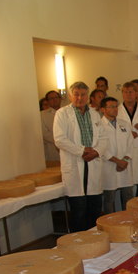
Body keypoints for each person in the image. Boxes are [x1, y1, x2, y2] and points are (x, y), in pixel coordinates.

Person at [53, 82, 107, 232]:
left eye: (83, 95)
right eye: (76, 94)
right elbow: (59, 139)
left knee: (95, 209)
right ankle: (78, 241)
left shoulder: (94, 114)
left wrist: (96, 152)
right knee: (78, 211)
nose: (80, 98)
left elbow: (104, 138)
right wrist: (82, 151)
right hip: (75, 163)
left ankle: (95, 241)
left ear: (88, 96)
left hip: (93, 163)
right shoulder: (62, 114)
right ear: (70, 96)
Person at [99, 97, 134, 214]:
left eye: (116, 106)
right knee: (109, 199)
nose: (115, 109)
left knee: (128, 198)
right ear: (103, 109)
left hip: (125, 165)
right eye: (111, 107)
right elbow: (100, 147)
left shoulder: (124, 124)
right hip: (109, 165)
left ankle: (129, 220)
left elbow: (130, 143)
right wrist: (117, 161)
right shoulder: (98, 125)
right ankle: (110, 222)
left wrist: (125, 160)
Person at [41, 90, 62, 163]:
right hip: (52, 149)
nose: (54, 100)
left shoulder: (67, 112)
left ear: (60, 99)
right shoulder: (42, 115)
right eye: (51, 98)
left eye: (56, 97)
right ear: (47, 101)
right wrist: (60, 140)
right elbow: (44, 133)